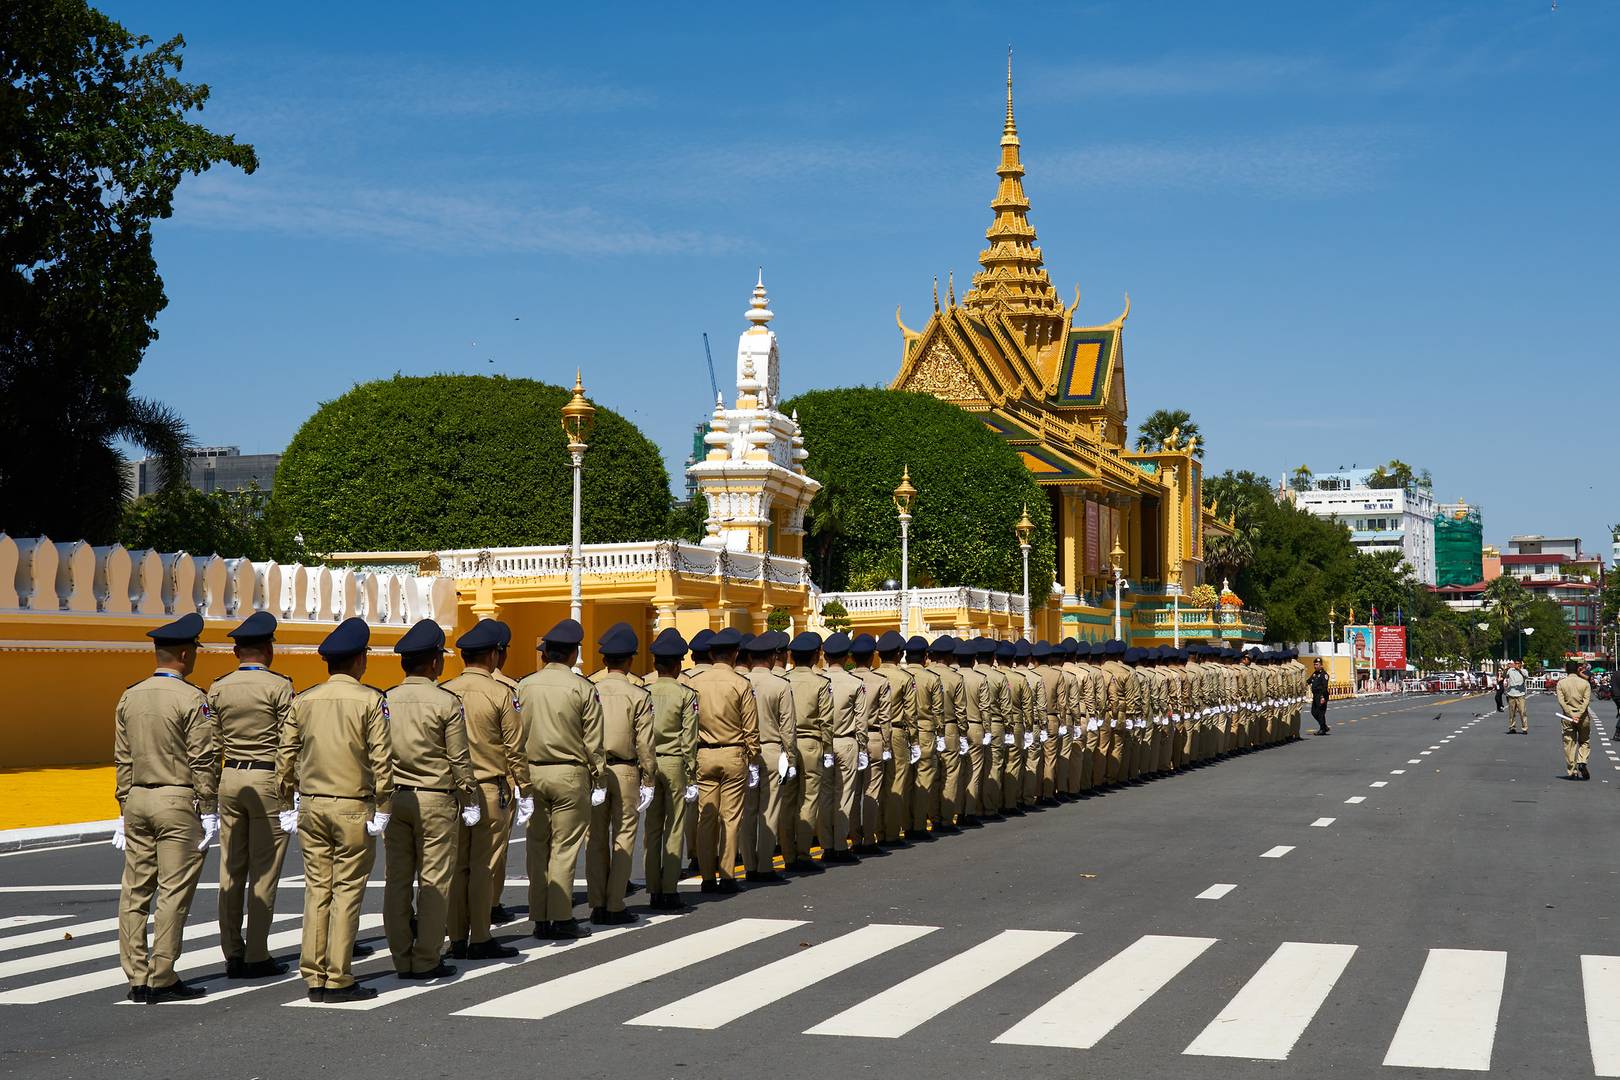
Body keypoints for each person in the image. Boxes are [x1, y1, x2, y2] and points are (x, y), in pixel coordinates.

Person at [277, 616, 393, 1002]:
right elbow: (381, 760)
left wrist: (285, 803)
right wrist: (386, 805)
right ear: (360, 659)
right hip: (352, 806)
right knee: (346, 892)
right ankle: (338, 976)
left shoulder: (304, 699)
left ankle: (313, 973)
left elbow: (285, 757)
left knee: (317, 891)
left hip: (311, 805)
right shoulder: (371, 700)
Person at [114, 611, 219, 1004]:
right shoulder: (192, 698)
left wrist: (123, 804)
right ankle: (162, 974)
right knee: (173, 891)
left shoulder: (130, 694)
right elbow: (203, 758)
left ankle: (136, 975)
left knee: (135, 892)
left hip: (137, 797)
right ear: (187, 654)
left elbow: (122, 758)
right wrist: (208, 806)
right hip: (177, 799)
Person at [382, 619, 476, 979]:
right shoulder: (445, 702)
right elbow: (458, 758)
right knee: (435, 880)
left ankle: (401, 955)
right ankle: (425, 959)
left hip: (395, 796)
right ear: (435, 662)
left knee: (398, 880)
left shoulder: (385, 699)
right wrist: (469, 798)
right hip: (435, 797)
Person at [209, 610, 294, 979]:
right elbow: (290, 745)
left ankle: (232, 950)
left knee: (231, 868)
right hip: (266, 777)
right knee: (265, 870)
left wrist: (209, 793)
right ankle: (257, 952)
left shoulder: (217, 687)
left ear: (237, 652)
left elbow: (210, 746)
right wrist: (292, 791)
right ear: (269, 649)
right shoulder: (279, 687)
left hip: (229, 776)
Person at [442, 619, 530, 959]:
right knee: (481, 867)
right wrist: (524, 787)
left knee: (455, 867)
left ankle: (456, 938)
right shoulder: (500, 694)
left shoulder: (446, 691)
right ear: (494, 656)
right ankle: (479, 935)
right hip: (489, 788)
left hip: (452, 791)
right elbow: (514, 748)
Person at [515, 618, 605, 939]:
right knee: (564, 849)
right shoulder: (583, 688)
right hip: (569, 773)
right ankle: (561, 916)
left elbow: (512, 736)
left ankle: (539, 916)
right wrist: (600, 777)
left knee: (537, 848)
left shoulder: (523, 686)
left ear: (544, 655)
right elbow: (593, 742)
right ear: (573, 655)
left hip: (532, 772)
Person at [585, 623, 655, 925]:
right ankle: (615, 903)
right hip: (625, 768)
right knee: (624, 836)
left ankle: (597, 902)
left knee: (595, 839)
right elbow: (645, 742)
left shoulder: (589, 689)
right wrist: (649, 777)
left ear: (604, 660)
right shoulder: (637, 694)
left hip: (593, 770)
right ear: (628, 661)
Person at [689, 627, 759, 893]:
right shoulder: (741, 683)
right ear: (735, 654)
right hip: (733, 752)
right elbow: (750, 728)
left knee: (706, 818)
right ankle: (727, 875)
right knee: (730, 818)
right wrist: (753, 757)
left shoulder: (695, 683)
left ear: (710, 653)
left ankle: (707, 876)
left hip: (703, 752)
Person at [644, 628, 699, 911]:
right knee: (675, 825)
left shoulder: (643, 691)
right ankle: (669, 888)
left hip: (650, 762)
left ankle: (653, 887)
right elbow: (689, 738)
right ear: (677, 665)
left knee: (652, 828)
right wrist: (691, 772)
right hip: (675, 761)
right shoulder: (685, 694)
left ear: (656, 664)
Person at [742, 631, 797, 881]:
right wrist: (791, 758)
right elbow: (788, 727)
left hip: (744, 750)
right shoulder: (780, 684)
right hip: (773, 749)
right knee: (769, 809)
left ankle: (749, 865)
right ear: (773, 657)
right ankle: (764, 865)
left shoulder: (739, 681)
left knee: (748, 810)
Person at [783, 631, 833, 870]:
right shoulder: (820, 683)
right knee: (809, 798)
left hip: (786, 743)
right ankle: (802, 853)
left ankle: (787, 853)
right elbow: (826, 721)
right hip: (811, 742)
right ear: (816, 656)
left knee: (787, 800)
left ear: (791, 656)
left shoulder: (783, 680)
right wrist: (829, 749)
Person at [819, 632, 866, 862]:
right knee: (845, 795)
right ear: (847, 656)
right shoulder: (854, 683)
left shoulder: (820, 680)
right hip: (846, 741)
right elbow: (861, 721)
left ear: (825, 656)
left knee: (825, 795)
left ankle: (827, 845)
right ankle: (840, 845)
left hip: (823, 742)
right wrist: (863, 747)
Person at [1558, 659, 1592, 781]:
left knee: (1569, 743)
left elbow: (1561, 701)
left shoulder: (1561, 683)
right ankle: (1582, 762)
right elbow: (1586, 701)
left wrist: (1571, 714)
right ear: (1577, 669)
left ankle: (1572, 771)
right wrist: (1579, 714)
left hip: (1567, 717)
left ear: (1566, 670)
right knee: (1584, 741)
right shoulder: (1585, 683)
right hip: (1583, 718)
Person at [1504, 660, 1529, 734]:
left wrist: (1519, 670)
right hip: (1511, 694)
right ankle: (1512, 727)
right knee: (1512, 713)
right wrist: (1506, 668)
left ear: (1521, 664)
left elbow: (1526, 676)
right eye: (1515, 663)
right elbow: (1505, 675)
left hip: (1520, 694)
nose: (1516, 665)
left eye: (1518, 663)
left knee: (1522, 712)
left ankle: (1524, 728)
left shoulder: (1524, 671)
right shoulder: (1510, 670)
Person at [1310, 659, 1331, 735]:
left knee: (1321, 713)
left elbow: (1324, 687)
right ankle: (1324, 726)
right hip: (1315, 696)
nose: (1315, 666)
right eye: (1314, 664)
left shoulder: (1324, 675)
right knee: (1313, 712)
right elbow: (1309, 681)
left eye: (1317, 664)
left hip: (1322, 695)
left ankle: (1322, 729)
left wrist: (1322, 697)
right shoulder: (1315, 674)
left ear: (1321, 665)